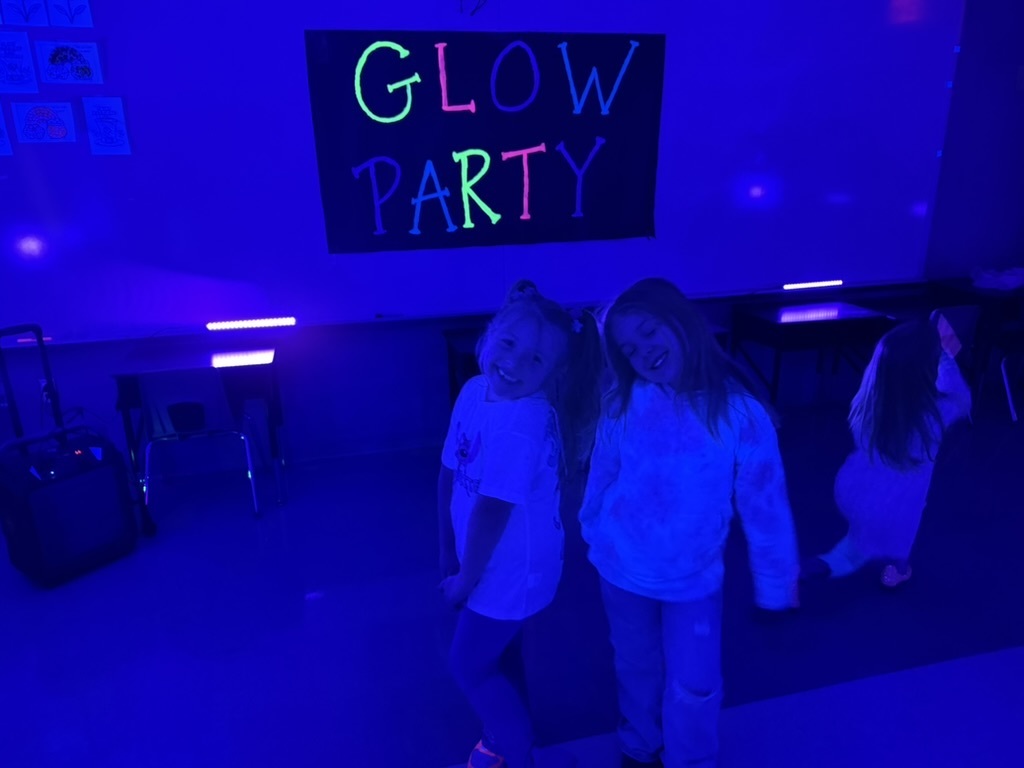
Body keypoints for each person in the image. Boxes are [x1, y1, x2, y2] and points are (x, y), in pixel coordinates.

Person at [579, 277, 800, 768]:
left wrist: (775, 585)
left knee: (695, 681)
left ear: (680, 320)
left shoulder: (740, 414)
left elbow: (765, 503)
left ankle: (690, 758)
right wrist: (595, 531)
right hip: (622, 570)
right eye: (630, 348)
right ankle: (640, 744)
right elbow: (602, 474)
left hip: (694, 579)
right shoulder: (623, 404)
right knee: (635, 666)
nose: (644, 352)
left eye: (651, 331)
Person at [438, 280, 603, 768]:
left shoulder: (521, 422)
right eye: (508, 343)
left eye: (536, 360)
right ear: (488, 337)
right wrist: (447, 551)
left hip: (510, 567)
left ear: (551, 374)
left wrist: (464, 578)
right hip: (483, 558)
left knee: (467, 665)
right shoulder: (474, 391)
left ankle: (518, 754)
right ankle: (501, 738)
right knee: (499, 657)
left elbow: (493, 510)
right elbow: (448, 472)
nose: (513, 363)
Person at [802, 317, 972, 587]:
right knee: (887, 544)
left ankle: (824, 564)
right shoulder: (935, 415)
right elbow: (962, 398)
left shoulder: (868, 402)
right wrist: (947, 356)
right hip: (893, 505)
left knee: (858, 539)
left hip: (850, 487)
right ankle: (896, 571)